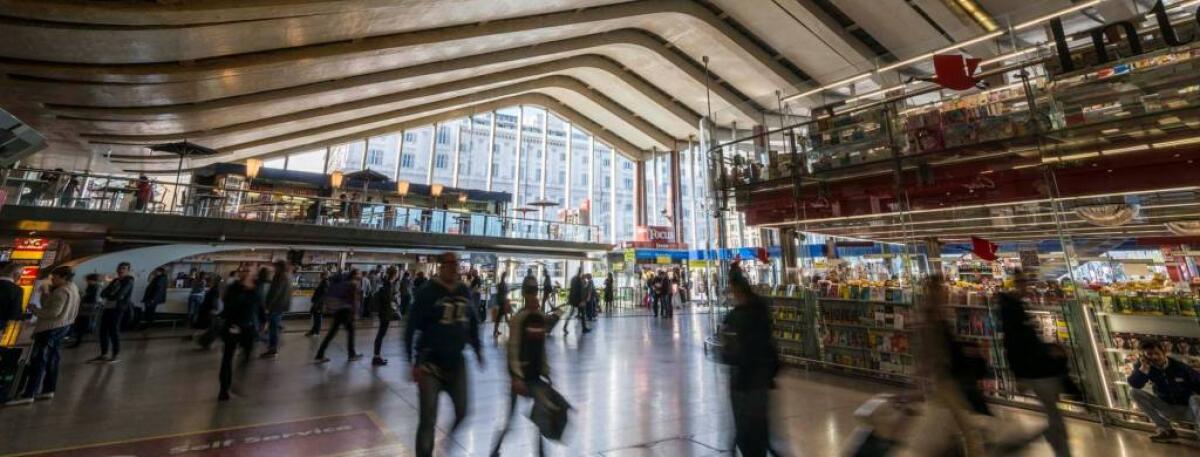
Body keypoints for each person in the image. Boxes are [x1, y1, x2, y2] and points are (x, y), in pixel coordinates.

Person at [404, 252, 483, 457]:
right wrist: (411, 360)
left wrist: (477, 348)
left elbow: (472, 321)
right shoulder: (428, 292)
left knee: (463, 410)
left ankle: (447, 441)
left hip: (456, 361)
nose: (454, 267)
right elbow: (411, 325)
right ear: (441, 266)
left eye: (456, 264)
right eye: (449, 264)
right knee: (428, 419)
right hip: (430, 363)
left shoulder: (463, 291)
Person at [998, 270, 1071, 456]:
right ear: (1014, 284)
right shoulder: (1011, 310)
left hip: (1036, 369)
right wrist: (1018, 374)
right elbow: (1013, 343)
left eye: (1026, 282)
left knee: (1053, 413)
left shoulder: (1017, 307)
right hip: (1034, 371)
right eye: (1022, 282)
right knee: (1053, 414)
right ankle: (1034, 441)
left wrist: (1048, 349)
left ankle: (1053, 439)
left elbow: (1025, 340)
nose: (1026, 286)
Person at [719, 269, 779, 457]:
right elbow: (768, 339)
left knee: (745, 429)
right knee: (760, 425)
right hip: (762, 376)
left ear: (736, 289)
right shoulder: (761, 307)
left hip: (743, 381)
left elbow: (728, 352)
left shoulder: (736, 317)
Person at [489, 280, 551, 456]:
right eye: (530, 292)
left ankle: (540, 454)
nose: (533, 295)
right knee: (510, 420)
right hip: (521, 378)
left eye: (535, 291)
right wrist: (516, 377)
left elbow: (542, 348)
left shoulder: (538, 317)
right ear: (524, 294)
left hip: (535, 376)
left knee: (539, 419)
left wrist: (546, 371)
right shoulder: (519, 319)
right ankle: (495, 451)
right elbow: (513, 348)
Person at [6, 266, 80, 406]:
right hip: (63, 327)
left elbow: (52, 313)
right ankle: (48, 389)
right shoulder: (73, 288)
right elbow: (52, 307)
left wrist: (34, 310)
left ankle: (29, 394)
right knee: (53, 359)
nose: (52, 280)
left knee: (38, 361)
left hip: (49, 329)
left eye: (55, 277)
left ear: (63, 277)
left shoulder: (61, 291)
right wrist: (45, 294)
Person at [1127, 339, 1200, 442]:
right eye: (1149, 354)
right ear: (1144, 356)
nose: (1154, 357)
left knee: (1195, 398)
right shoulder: (1144, 367)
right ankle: (1166, 430)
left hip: (1188, 409)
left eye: (1157, 353)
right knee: (1133, 392)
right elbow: (1135, 384)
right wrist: (1144, 368)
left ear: (1164, 352)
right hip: (1166, 407)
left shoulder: (1180, 367)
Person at [217, 268, 261, 401]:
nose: (250, 275)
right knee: (227, 358)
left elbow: (258, 305)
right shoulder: (234, 288)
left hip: (248, 328)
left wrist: (264, 320)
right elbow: (229, 305)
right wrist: (244, 289)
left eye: (252, 272)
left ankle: (238, 379)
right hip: (233, 326)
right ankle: (224, 389)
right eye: (247, 272)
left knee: (247, 356)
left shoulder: (255, 288)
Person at [315, 270, 363, 363]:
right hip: (346, 311)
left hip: (338, 310)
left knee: (331, 333)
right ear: (355, 275)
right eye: (359, 273)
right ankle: (351, 354)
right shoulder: (353, 284)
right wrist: (355, 313)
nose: (360, 275)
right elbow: (353, 300)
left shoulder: (343, 283)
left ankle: (320, 354)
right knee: (351, 332)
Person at [90, 262, 134, 363]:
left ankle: (115, 354)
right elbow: (103, 293)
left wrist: (110, 295)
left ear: (128, 271)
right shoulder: (115, 280)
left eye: (123, 268)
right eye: (119, 268)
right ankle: (104, 354)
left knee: (113, 331)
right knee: (103, 331)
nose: (121, 270)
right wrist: (111, 294)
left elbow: (120, 295)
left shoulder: (129, 281)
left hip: (118, 309)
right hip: (108, 307)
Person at [262, 260, 293, 358]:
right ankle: (272, 347)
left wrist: (268, 305)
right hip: (281, 305)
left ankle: (273, 349)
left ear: (279, 267)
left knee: (273, 327)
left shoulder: (280, 276)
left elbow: (275, 292)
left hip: (276, 306)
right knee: (274, 326)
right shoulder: (288, 276)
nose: (274, 268)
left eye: (275, 267)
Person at [372, 266, 400, 366]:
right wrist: (394, 298)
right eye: (396, 273)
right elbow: (388, 299)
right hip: (385, 313)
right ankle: (376, 357)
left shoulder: (387, 283)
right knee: (380, 335)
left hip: (383, 313)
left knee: (381, 335)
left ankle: (377, 356)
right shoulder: (388, 285)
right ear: (394, 274)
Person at [67, 273, 102, 348]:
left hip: (87, 309)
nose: (87, 282)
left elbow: (93, 299)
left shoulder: (94, 287)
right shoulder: (94, 287)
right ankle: (77, 341)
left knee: (81, 325)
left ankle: (77, 341)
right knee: (81, 325)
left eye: (88, 280)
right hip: (87, 309)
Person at [563, 268, 590, 335]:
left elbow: (571, 290)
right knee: (583, 314)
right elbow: (581, 291)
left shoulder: (573, 279)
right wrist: (582, 300)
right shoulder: (579, 280)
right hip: (578, 301)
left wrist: (569, 299)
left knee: (570, 314)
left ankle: (565, 327)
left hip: (573, 300)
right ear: (580, 272)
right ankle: (584, 328)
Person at [0, 263, 25, 335]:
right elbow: (14, 313)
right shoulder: (17, 290)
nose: (20, 277)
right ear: (16, 274)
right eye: (21, 274)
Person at [306, 271, 329, 336]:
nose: (320, 276)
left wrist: (317, 304)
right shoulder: (322, 282)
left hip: (319, 303)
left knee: (318, 318)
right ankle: (313, 330)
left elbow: (323, 295)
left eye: (321, 275)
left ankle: (316, 332)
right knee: (315, 317)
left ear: (324, 275)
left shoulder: (325, 283)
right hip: (317, 302)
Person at [493, 271, 510, 338]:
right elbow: (506, 292)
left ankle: (495, 330)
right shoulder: (503, 285)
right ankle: (512, 330)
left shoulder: (500, 284)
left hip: (501, 301)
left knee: (500, 317)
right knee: (504, 316)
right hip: (503, 302)